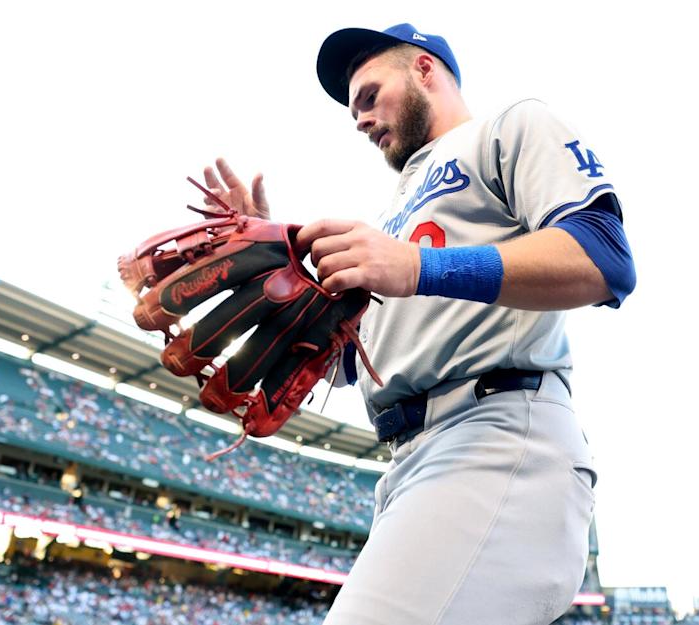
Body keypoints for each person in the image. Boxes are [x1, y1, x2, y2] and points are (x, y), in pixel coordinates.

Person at [202, 22, 635, 625]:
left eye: (369, 94)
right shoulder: (392, 214)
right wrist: (279, 272)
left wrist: (414, 264)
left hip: (496, 429)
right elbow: (353, 362)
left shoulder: (506, 127)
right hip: (411, 459)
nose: (358, 118)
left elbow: (602, 259)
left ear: (424, 69)